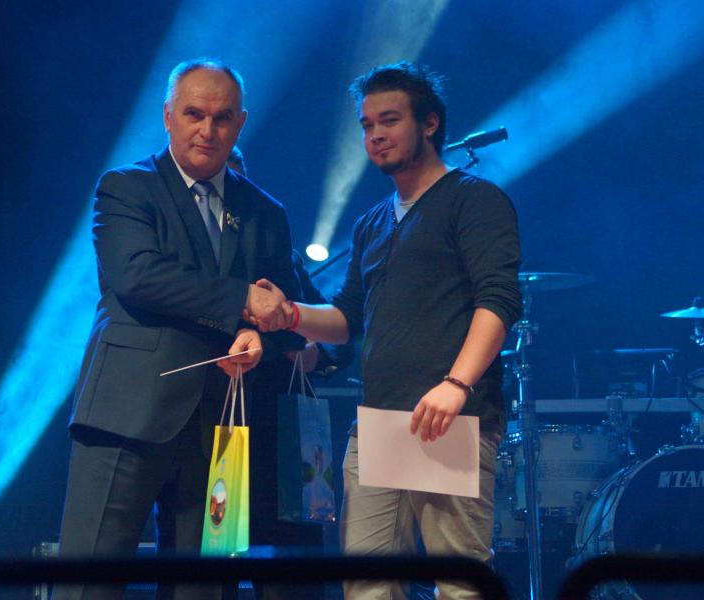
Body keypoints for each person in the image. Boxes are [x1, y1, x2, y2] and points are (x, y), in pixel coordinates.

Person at [248, 61, 522, 600]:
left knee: (460, 584)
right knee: (366, 582)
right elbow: (347, 318)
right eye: (367, 124)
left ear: (430, 123)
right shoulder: (371, 222)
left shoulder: (474, 199)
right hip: (379, 423)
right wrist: (289, 314)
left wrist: (457, 384)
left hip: (451, 418)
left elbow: (499, 300)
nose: (375, 135)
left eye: (389, 120)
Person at [54, 59, 301, 600]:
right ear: (168, 116)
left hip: (223, 428)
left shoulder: (266, 211)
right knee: (88, 582)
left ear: (240, 123)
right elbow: (138, 276)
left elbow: (287, 306)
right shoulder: (126, 187)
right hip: (127, 414)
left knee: (205, 588)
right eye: (194, 114)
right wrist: (242, 301)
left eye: (222, 118)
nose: (207, 130)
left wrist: (262, 336)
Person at [227, 146, 354, 600]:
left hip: (279, 445)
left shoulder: (281, 254)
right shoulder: (182, 260)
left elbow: (339, 332)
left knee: (290, 580)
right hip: (207, 438)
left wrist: (315, 355)